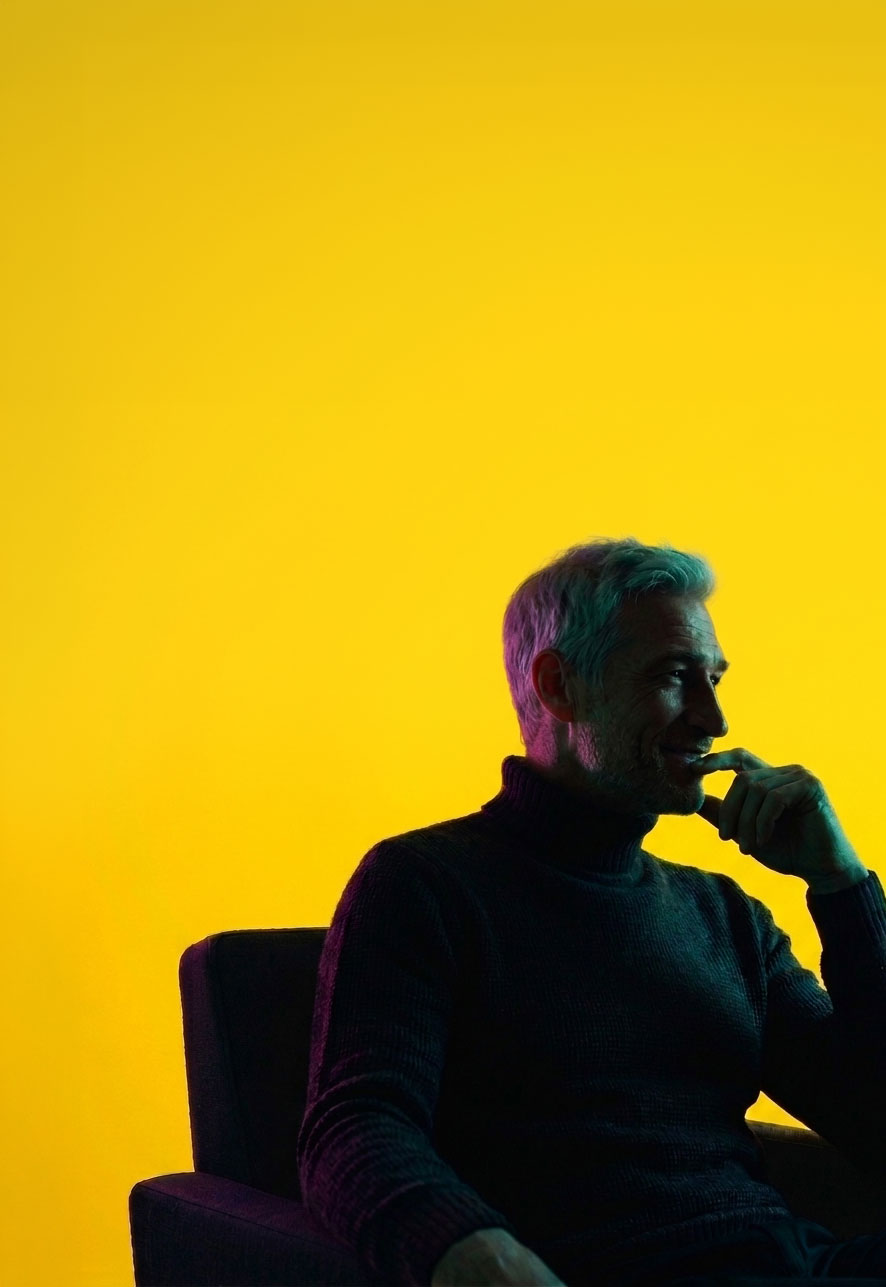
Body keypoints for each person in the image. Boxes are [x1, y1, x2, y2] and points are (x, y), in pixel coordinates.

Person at [296, 537, 886, 1286]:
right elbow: (353, 1128)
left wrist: (841, 885)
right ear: (559, 686)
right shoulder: (424, 884)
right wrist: (470, 1248)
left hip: (794, 1263)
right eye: (675, 677)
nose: (714, 715)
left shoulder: (725, 915)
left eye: (713, 677)